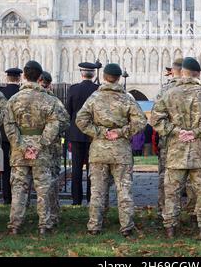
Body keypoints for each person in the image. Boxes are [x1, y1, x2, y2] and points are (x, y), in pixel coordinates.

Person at [151, 57, 201, 239]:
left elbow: (156, 119)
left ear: (182, 73)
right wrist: (197, 132)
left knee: (172, 192)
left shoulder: (169, 93)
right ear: (198, 74)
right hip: (200, 152)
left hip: (176, 151)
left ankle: (170, 228)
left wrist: (175, 131)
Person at [76, 63, 147, 236]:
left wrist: (100, 132)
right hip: (120, 151)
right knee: (124, 190)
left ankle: (94, 226)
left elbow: (81, 120)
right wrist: (121, 132)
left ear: (105, 76)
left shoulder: (94, 97)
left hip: (99, 150)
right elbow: (141, 121)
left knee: (98, 191)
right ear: (118, 78)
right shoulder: (127, 98)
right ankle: (126, 227)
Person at [4, 61, 60, 235]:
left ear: (25, 76)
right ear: (40, 77)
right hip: (41, 151)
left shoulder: (13, 100)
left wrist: (20, 145)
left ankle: (15, 225)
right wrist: (41, 144)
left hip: (19, 150)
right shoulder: (48, 99)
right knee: (43, 188)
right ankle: (44, 224)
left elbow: (9, 125)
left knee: (19, 188)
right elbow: (54, 124)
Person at [38, 71, 70, 226]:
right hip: (51, 147)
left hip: (26, 145)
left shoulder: (21, 97)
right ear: (49, 84)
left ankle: (18, 219)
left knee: (25, 183)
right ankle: (53, 215)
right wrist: (53, 131)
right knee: (51, 181)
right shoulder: (54, 101)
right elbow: (65, 121)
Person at [66, 62, 100, 205]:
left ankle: (76, 200)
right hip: (93, 134)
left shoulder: (74, 89)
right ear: (93, 74)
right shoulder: (98, 90)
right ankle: (91, 199)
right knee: (92, 169)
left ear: (82, 73)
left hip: (76, 134)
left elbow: (68, 111)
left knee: (76, 169)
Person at [155, 58, 183, 217]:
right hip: (193, 142)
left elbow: (156, 118)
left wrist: (172, 131)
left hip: (169, 141)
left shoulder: (164, 91)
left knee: (166, 176)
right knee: (194, 178)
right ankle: (196, 215)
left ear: (173, 71)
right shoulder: (200, 90)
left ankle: (165, 211)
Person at [0, 68, 22, 204]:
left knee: (7, 167)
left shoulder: (2, 92)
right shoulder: (22, 93)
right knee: (21, 168)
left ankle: (7, 197)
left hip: (5, 135)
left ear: (7, 78)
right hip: (21, 136)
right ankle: (19, 197)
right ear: (19, 78)